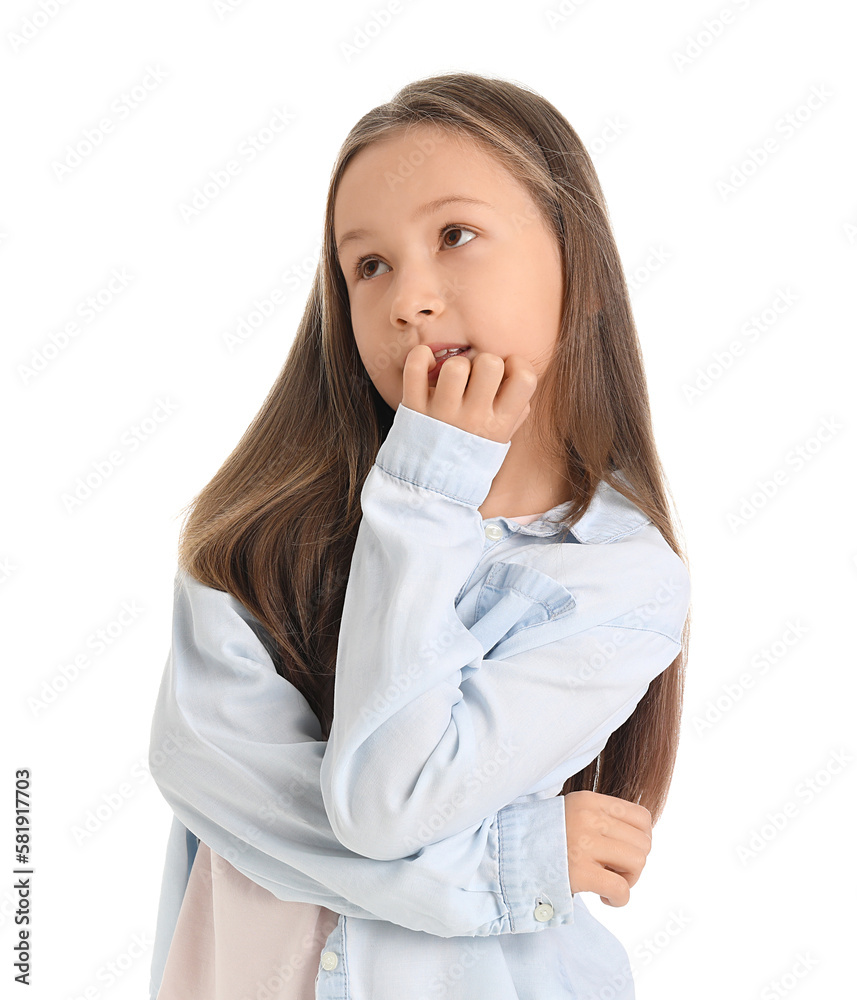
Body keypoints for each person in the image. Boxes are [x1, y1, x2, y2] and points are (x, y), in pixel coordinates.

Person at [147, 71, 692, 999]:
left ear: (579, 265)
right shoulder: (253, 540)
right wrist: (509, 867)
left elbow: (386, 805)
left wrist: (428, 493)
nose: (409, 299)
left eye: (456, 236)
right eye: (368, 266)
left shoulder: (618, 578)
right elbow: (224, 788)